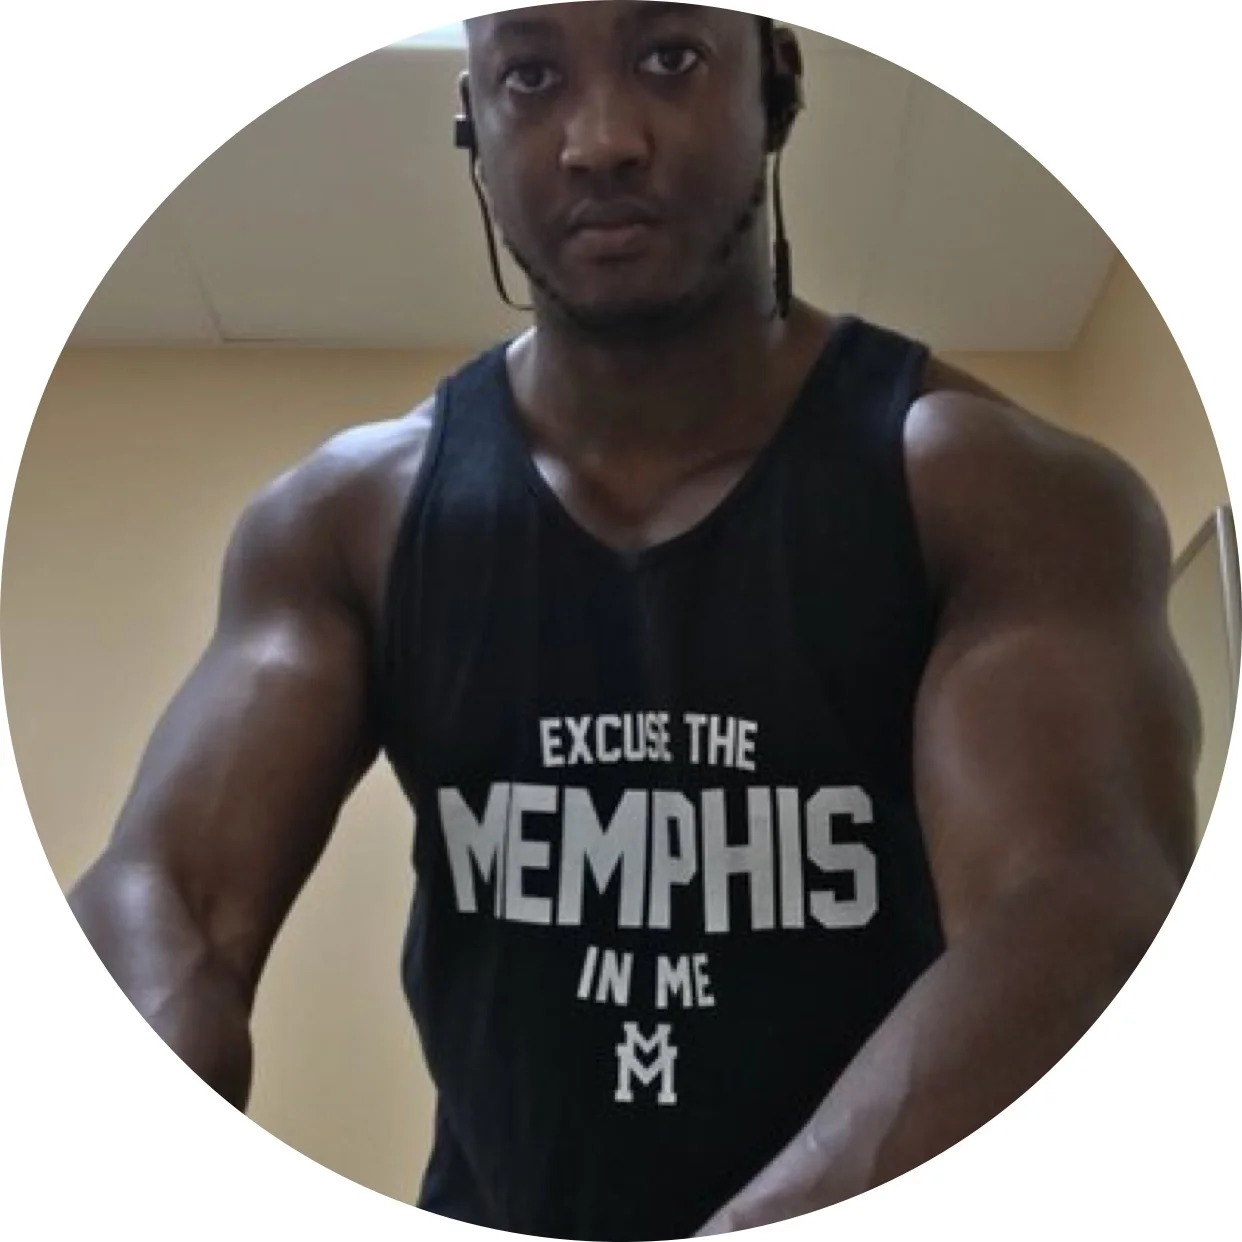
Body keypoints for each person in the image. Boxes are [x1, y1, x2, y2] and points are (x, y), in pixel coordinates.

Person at [68, 4, 1200, 1240]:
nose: (600, 137)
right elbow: (171, 888)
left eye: (669, 57)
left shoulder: (995, 492)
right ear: (472, 125)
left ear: (775, 85)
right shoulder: (352, 519)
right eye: (531, 76)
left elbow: (1081, 904)